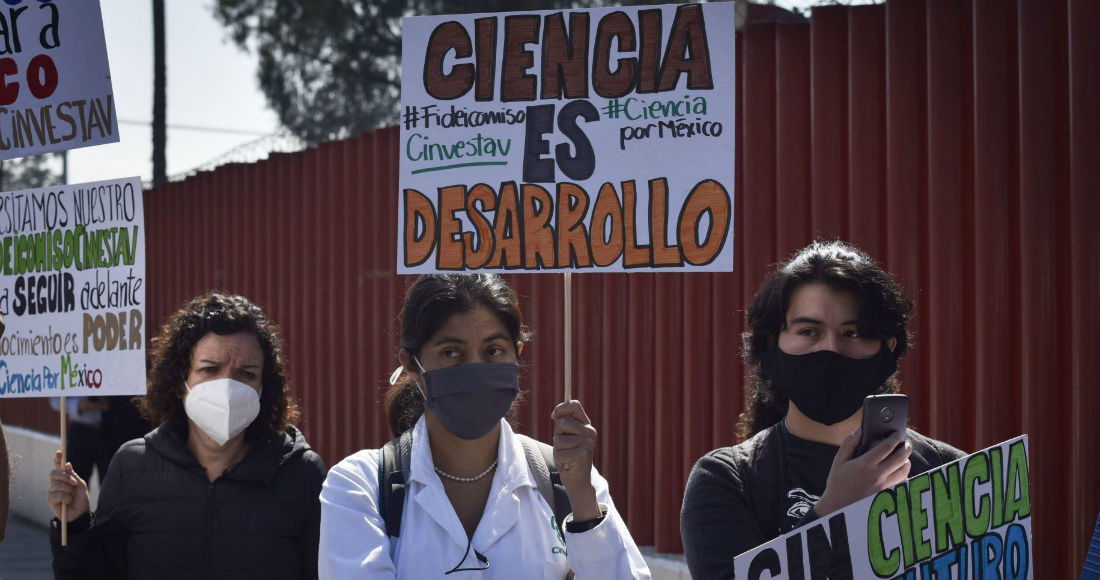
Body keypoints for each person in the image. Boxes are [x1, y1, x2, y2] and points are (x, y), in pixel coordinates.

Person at [319, 274, 650, 579]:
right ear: (412, 365)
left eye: (493, 350)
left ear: (517, 355)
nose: (475, 368)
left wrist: (584, 505)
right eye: (452, 352)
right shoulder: (360, 487)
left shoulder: (567, 481)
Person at [680, 241, 966, 579]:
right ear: (772, 344)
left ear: (887, 347)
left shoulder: (954, 474)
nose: (831, 348)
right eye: (809, 331)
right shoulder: (728, 480)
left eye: (853, 332)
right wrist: (834, 512)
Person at [47, 292, 326, 579]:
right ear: (181, 382)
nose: (228, 387)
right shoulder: (132, 467)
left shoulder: (301, 473)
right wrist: (77, 525)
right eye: (210, 369)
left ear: (264, 387)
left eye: (247, 373)